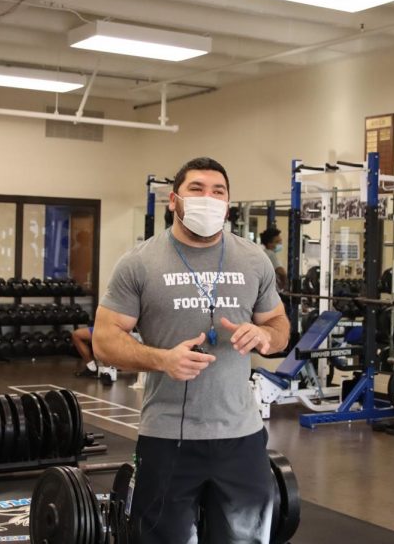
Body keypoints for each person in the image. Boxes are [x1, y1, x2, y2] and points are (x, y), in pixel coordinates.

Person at [93, 157, 290, 544]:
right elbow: (104, 339)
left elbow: (280, 326)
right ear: (173, 200)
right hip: (167, 438)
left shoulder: (254, 260)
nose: (208, 198)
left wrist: (267, 338)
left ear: (228, 204)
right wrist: (161, 359)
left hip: (242, 436)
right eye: (196, 189)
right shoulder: (139, 263)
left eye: (218, 191)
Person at [259, 226, 287, 291]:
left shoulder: (263, 253)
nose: (280, 244)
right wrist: (284, 286)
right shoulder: (270, 254)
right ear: (269, 244)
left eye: (280, 241)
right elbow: (281, 271)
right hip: (272, 291)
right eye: (277, 242)